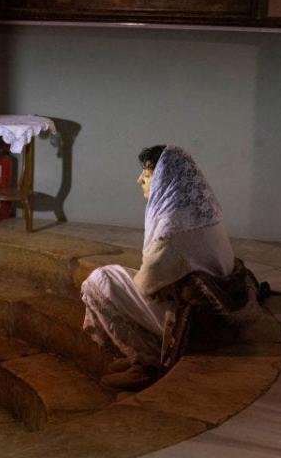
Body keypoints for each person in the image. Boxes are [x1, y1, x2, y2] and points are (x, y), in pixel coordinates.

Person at [81, 145, 235, 390]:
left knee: (99, 281)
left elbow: (147, 285)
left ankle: (146, 362)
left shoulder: (173, 228)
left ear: (165, 177)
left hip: (188, 323)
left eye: (148, 172)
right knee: (117, 277)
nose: (140, 178)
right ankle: (140, 358)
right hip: (208, 310)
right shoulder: (200, 211)